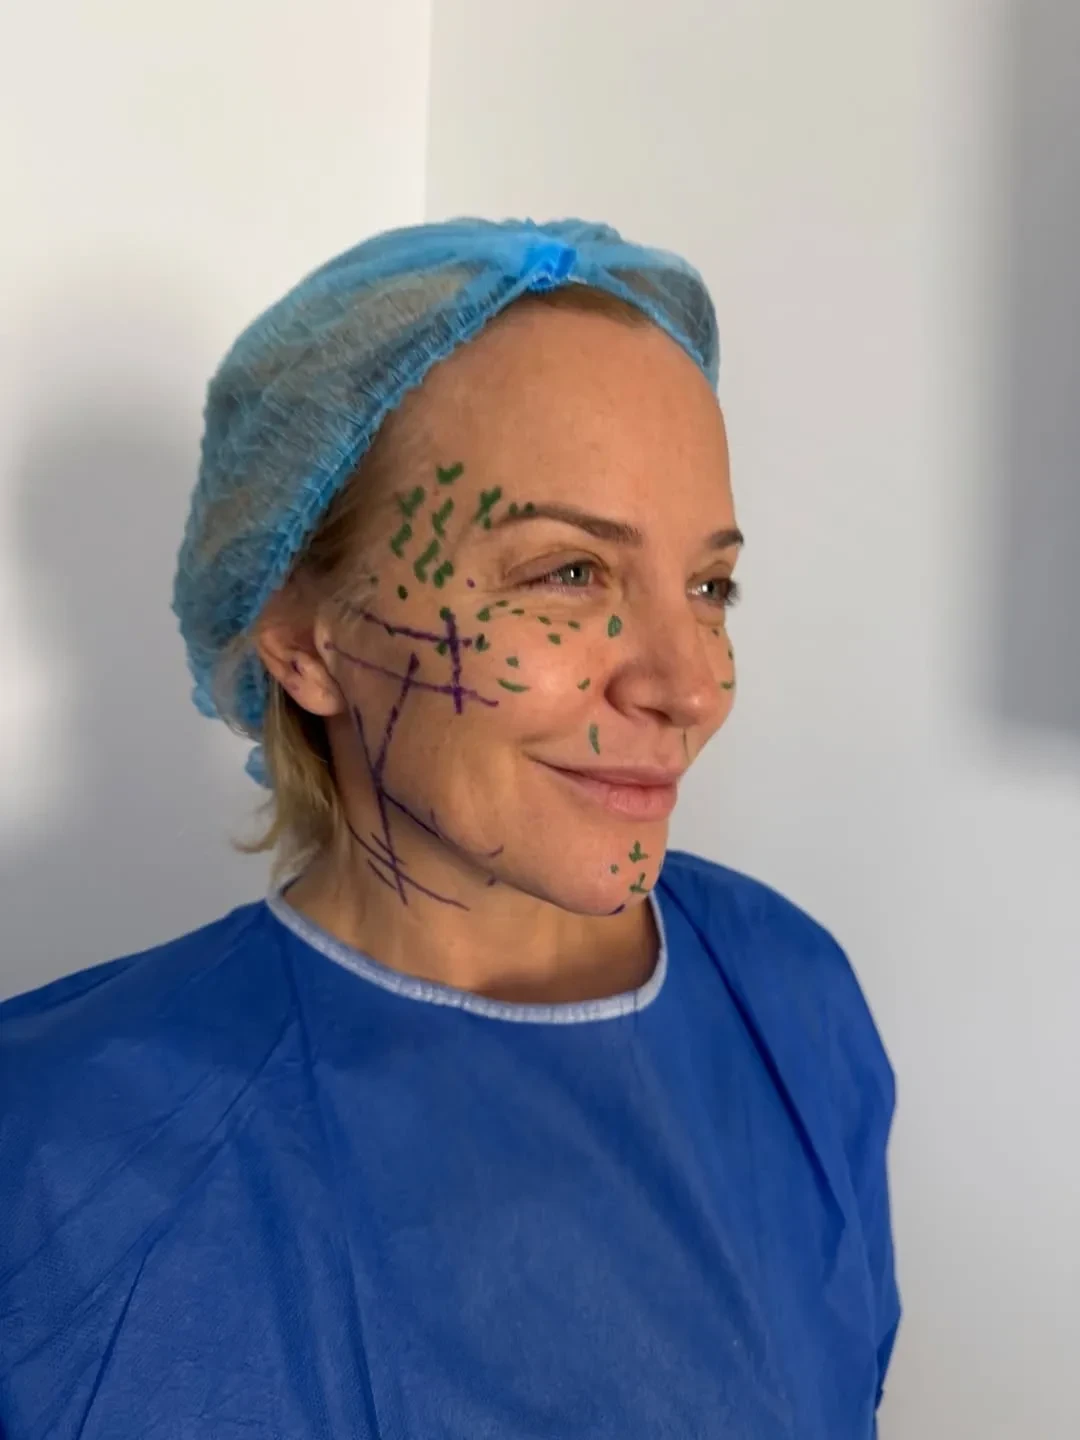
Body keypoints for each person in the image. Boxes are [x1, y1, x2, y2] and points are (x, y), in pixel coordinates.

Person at [0, 218, 899, 1439]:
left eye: (710, 586)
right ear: (305, 641)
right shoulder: (57, 1147)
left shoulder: (790, 999)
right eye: (568, 573)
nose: (690, 687)